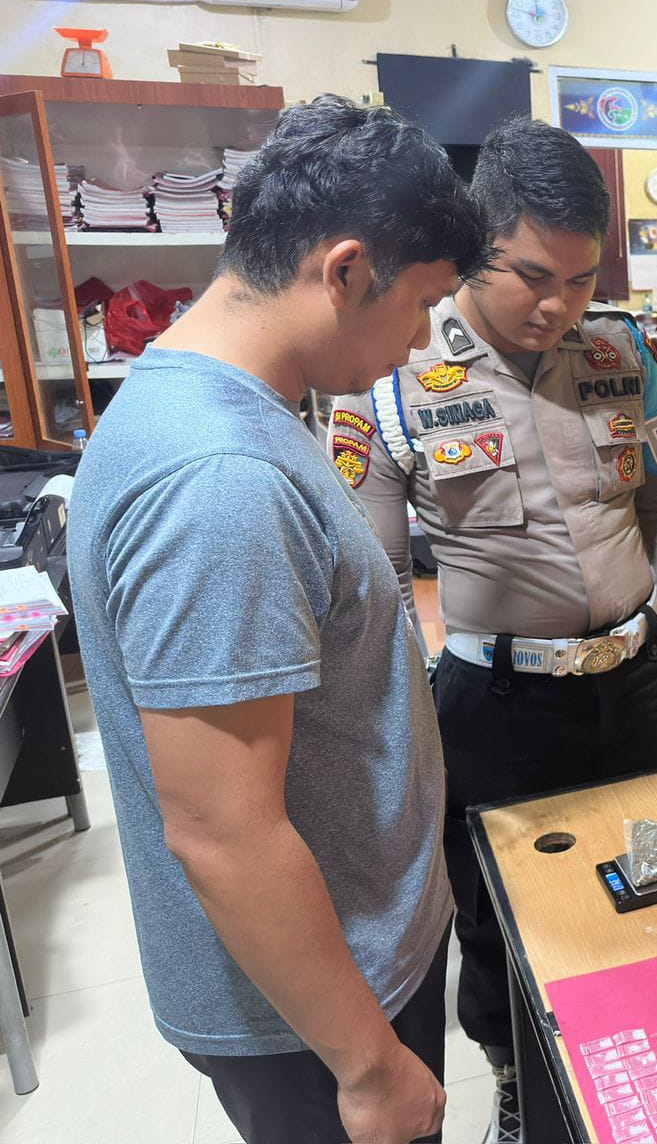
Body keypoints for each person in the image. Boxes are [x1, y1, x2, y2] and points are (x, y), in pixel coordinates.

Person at [67, 95, 495, 1144]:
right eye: (420, 305)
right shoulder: (220, 479)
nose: (419, 344)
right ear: (344, 271)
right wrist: (367, 1067)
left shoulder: (208, 401)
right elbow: (224, 829)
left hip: (333, 967)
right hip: (315, 1014)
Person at [327, 116, 657, 1142]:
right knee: (500, 914)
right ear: (478, 247)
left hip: (638, 681)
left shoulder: (619, 352)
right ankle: (517, 1074)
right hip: (496, 706)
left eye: (582, 279)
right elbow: (378, 579)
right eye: (534, 277)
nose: (559, 306)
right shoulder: (393, 377)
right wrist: (399, 732)